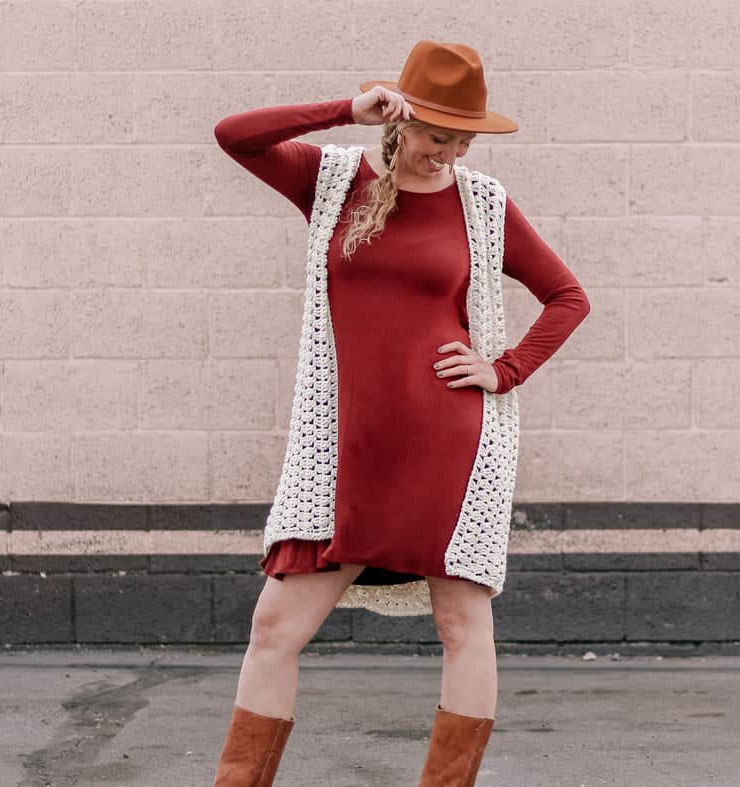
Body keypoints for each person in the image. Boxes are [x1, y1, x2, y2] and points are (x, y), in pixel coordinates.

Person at [211, 40, 590, 786]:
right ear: (398, 118)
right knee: (275, 627)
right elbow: (233, 134)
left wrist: (502, 369)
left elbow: (568, 297)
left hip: (448, 446)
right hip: (343, 448)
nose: (445, 152)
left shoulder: (481, 203)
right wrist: (341, 110)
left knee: (460, 625)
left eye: (461, 139)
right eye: (434, 133)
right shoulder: (329, 180)